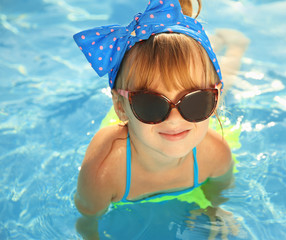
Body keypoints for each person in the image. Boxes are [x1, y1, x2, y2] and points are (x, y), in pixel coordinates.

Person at [73, 0, 249, 239]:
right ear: (120, 107)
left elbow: (218, 191)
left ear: (213, 100)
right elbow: (88, 224)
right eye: (151, 103)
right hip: (130, 131)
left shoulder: (215, 153)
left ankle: (236, 47)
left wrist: (214, 210)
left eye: (197, 100)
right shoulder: (105, 172)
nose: (175, 120)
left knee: (225, 81)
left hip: (157, 126)